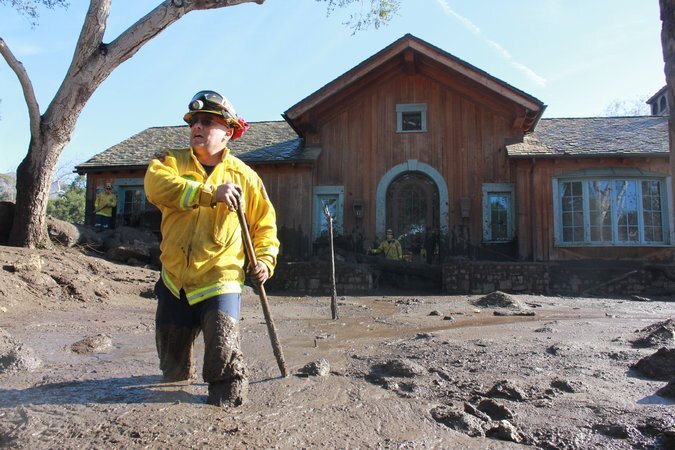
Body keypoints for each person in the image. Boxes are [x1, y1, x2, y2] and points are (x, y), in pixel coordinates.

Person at [144, 90, 279, 407]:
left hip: (220, 280)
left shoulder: (245, 177)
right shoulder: (169, 161)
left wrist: (265, 260)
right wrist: (208, 193)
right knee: (172, 371)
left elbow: (265, 226)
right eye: (194, 122)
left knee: (223, 356)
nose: (197, 127)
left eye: (207, 121)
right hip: (174, 280)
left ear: (228, 132)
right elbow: (155, 187)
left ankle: (228, 405)